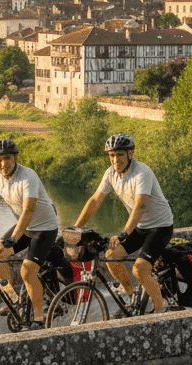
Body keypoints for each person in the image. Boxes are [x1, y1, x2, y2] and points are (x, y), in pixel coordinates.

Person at [0, 138, 60, 331]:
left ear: (15, 157)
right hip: (25, 225)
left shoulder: (27, 176)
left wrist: (14, 238)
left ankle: (38, 320)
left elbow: (28, 210)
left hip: (45, 227)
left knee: (28, 270)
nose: (3, 164)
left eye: (6, 158)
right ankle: (14, 300)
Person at [73, 132, 175, 314]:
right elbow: (95, 200)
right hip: (140, 227)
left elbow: (140, 205)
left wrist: (125, 232)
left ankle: (161, 310)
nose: (115, 159)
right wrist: (75, 227)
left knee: (140, 269)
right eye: (111, 155)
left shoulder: (142, 172)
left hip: (159, 226)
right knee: (111, 255)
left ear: (131, 153)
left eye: (120, 154)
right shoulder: (111, 173)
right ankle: (132, 296)